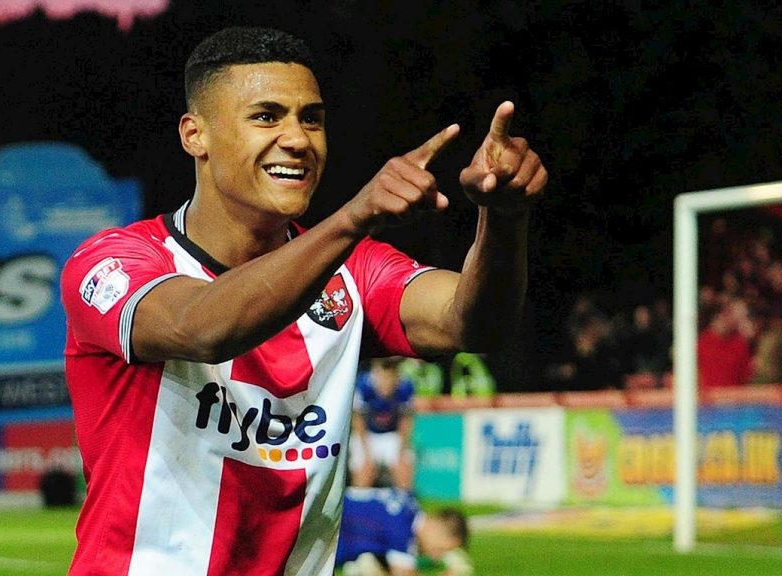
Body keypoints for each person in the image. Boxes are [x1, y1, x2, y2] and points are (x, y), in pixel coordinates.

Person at [60, 26, 546, 575]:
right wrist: (352, 217)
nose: (298, 138)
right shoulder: (114, 263)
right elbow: (203, 327)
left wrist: (504, 219)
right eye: (266, 116)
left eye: (310, 118)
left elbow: (473, 324)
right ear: (196, 135)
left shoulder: (354, 272)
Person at [336, 487, 471, 576]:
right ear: (435, 527)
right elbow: (403, 573)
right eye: (440, 549)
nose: (436, 557)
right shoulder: (402, 528)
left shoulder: (409, 506)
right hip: (324, 531)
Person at [350, 357, 416, 490]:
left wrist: (401, 450)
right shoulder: (363, 385)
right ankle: (359, 505)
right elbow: (358, 420)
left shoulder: (405, 386)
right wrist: (367, 452)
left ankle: (404, 504)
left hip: (392, 434)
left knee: (403, 468)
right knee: (364, 471)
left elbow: (406, 420)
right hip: (367, 434)